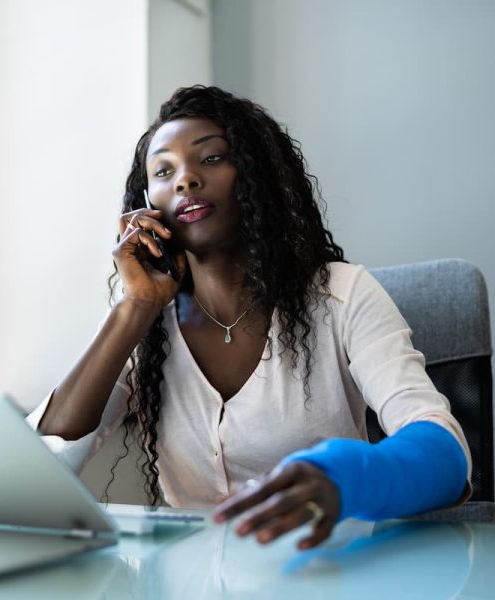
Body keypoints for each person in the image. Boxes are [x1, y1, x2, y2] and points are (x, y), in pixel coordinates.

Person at [28, 85, 470, 551]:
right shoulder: (146, 326)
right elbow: (42, 467)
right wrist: (134, 308)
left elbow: (446, 452)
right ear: (146, 202)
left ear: (257, 174)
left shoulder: (342, 295)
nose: (185, 180)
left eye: (212, 158)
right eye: (163, 171)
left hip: (326, 572)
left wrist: (342, 476)